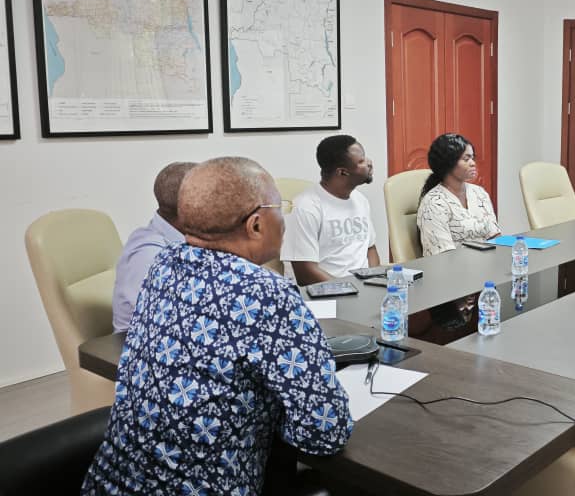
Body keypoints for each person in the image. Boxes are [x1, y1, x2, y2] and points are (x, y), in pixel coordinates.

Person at [82, 157, 352, 495]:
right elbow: (323, 433)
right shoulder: (268, 294)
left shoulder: (162, 264)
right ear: (256, 225)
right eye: (280, 207)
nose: (285, 218)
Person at [282, 135, 380, 285]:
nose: (369, 163)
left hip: (361, 290)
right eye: (361, 161)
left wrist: (373, 281)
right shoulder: (305, 208)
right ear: (342, 172)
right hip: (323, 294)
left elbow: (370, 249)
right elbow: (305, 273)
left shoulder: (360, 200)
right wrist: (351, 290)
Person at [112, 161, 196, 333]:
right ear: (190, 209)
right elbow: (169, 322)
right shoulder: (149, 255)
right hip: (138, 349)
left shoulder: (186, 239)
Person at [417, 133, 500, 256]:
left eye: (472, 158)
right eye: (466, 159)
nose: (473, 163)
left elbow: (495, 237)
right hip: (452, 269)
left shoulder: (479, 193)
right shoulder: (434, 203)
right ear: (448, 163)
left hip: (485, 265)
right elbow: (444, 256)